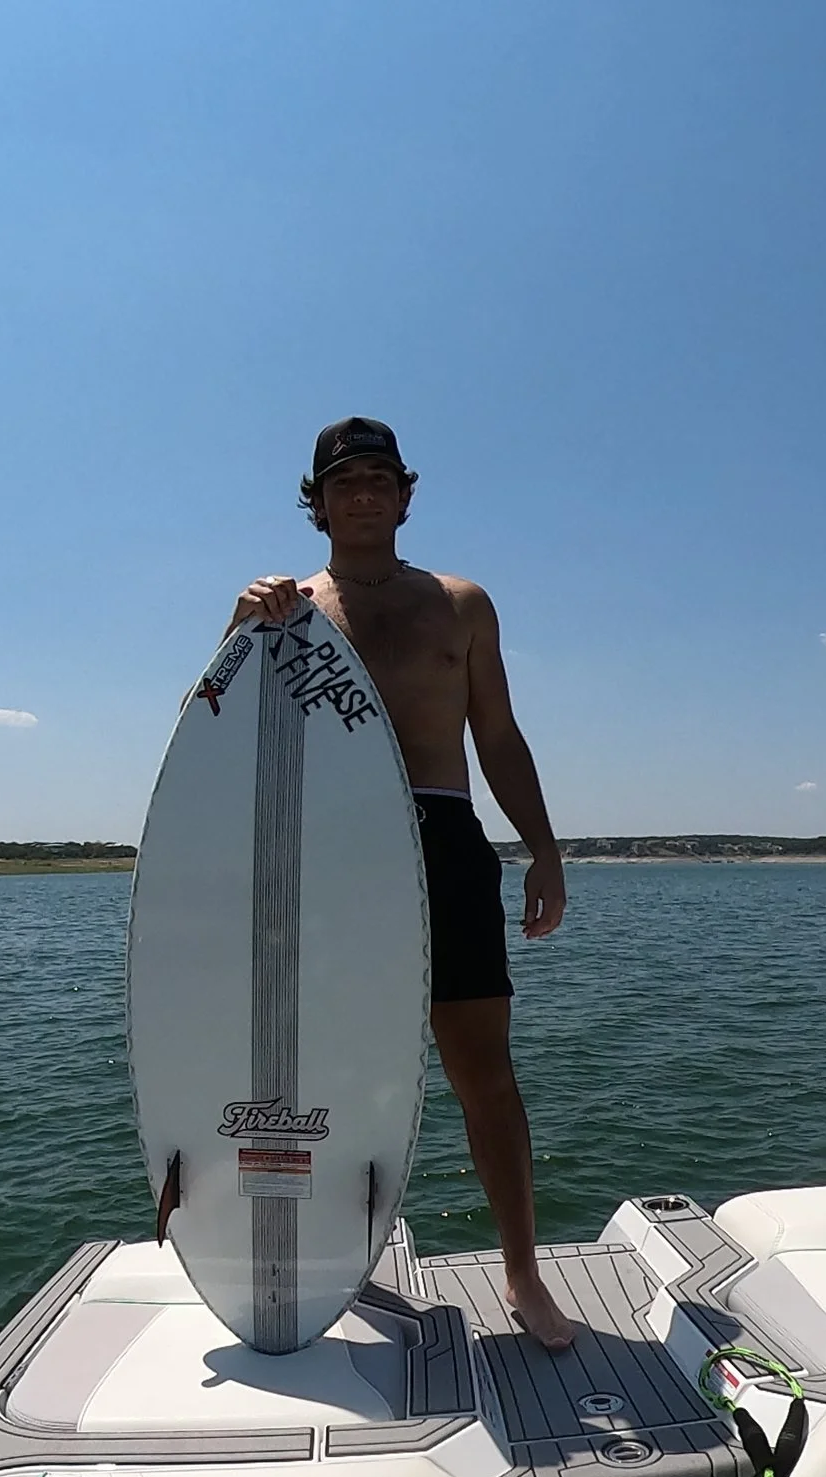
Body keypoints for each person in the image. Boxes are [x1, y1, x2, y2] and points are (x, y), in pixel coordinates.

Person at [231, 417, 576, 1350]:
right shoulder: (285, 606)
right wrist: (236, 629)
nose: (365, 493)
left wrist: (541, 848)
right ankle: (346, 1263)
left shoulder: (459, 603)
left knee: (484, 1072)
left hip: (444, 835)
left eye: (381, 478)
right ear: (319, 501)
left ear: (404, 494)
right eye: (346, 482)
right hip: (333, 851)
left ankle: (522, 1273)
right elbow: (227, 730)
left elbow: (497, 736)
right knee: (336, 1080)